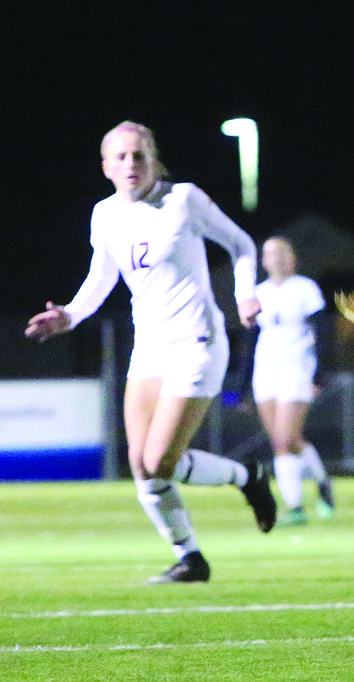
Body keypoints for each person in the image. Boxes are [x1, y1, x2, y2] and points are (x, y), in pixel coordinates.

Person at [25, 121, 277, 583]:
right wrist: (70, 315)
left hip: (197, 342)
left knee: (161, 460)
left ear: (154, 160)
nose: (130, 164)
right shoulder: (105, 215)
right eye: (120, 157)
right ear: (105, 166)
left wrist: (245, 294)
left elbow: (240, 244)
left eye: (139, 155)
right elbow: (101, 278)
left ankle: (248, 478)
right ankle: (191, 558)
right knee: (142, 467)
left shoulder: (184, 199)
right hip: (150, 347)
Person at [245, 235, 336, 526]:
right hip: (265, 372)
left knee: (285, 440)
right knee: (285, 442)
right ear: (263, 260)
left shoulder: (305, 289)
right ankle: (322, 483)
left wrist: (320, 372)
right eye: (270, 253)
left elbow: (324, 331)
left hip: (297, 369)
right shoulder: (258, 292)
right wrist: (241, 384)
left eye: (283, 253)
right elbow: (250, 340)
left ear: (293, 258)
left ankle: (294, 508)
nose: (277, 258)